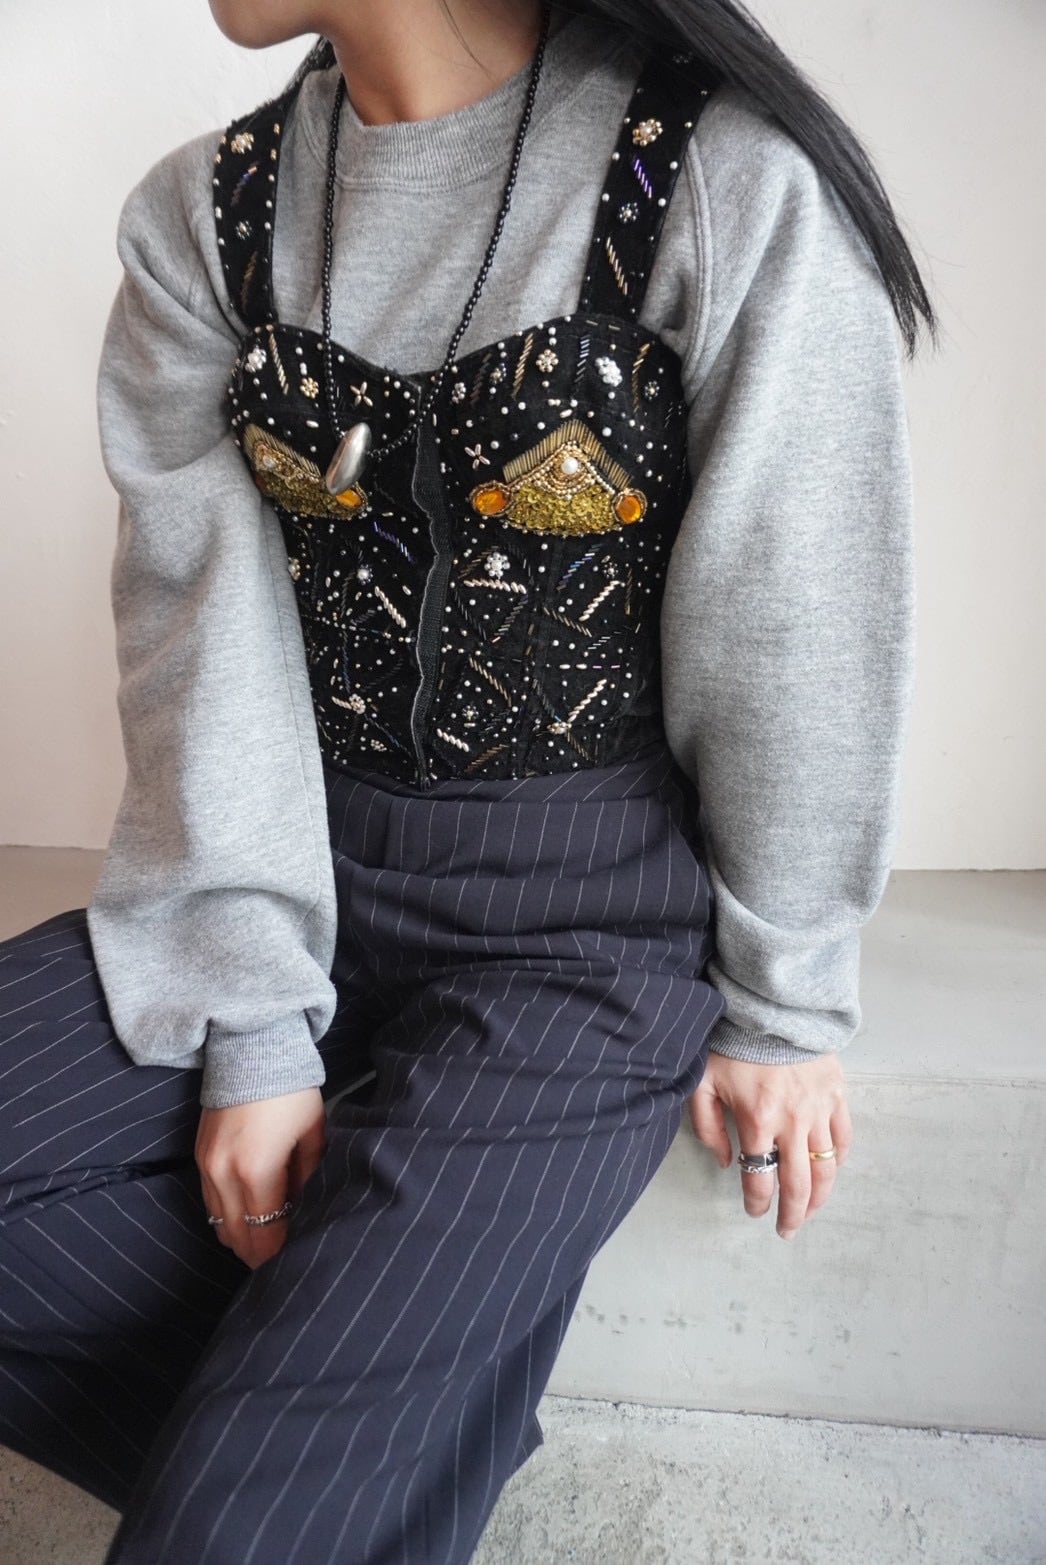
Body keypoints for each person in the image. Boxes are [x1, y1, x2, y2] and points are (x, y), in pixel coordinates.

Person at [0, 1, 935, 1560]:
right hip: (291, 857)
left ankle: (313, 1469)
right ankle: (377, 1453)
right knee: (260, 1493)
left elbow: (792, 616)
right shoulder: (204, 216)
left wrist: (786, 998)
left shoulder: (715, 180)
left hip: (582, 937)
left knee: (233, 1523)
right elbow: (198, 637)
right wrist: (251, 1017)